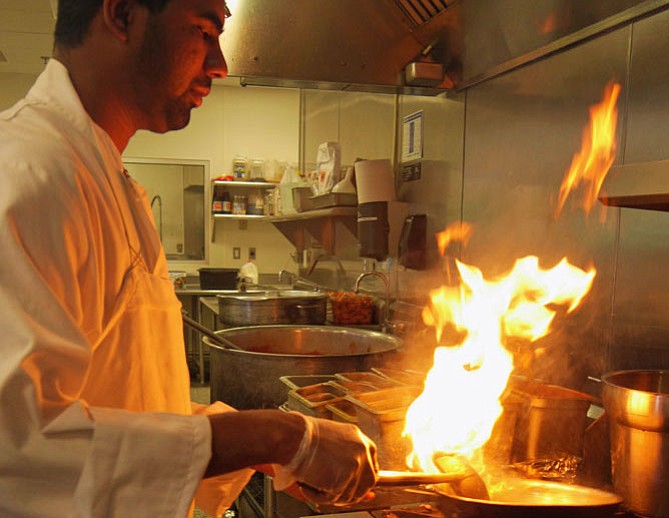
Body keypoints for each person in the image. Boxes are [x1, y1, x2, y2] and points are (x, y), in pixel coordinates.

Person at [0, 0, 379, 516]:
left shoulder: (100, 174)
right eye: (204, 29)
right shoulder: (29, 171)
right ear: (122, 15)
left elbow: (126, 402)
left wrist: (258, 451)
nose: (220, 64)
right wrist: (277, 434)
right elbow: (18, 446)